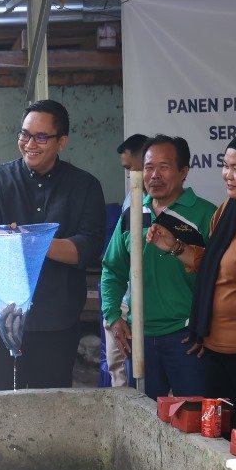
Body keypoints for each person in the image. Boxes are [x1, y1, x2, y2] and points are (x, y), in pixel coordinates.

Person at [0, 100, 106, 390]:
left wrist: (25, 240)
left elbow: (87, 247)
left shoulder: (85, 185)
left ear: (62, 142)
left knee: (51, 407)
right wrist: (48, 244)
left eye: (41, 137)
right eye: (24, 134)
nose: (30, 143)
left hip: (56, 318)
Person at [147, 131, 236, 432]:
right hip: (212, 350)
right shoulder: (227, 210)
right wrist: (175, 247)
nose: (228, 175)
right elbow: (212, 266)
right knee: (215, 437)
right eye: (225, 166)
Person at [101, 135, 217, 400]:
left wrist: (209, 329)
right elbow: (112, 269)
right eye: (149, 167)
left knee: (194, 421)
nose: (154, 175)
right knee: (141, 423)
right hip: (139, 337)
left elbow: (221, 277)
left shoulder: (206, 214)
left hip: (188, 339)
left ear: (183, 171)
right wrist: (113, 316)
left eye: (164, 167)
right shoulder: (132, 215)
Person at [103, 133, 149, 387]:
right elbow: (113, 264)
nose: (129, 174)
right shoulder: (129, 201)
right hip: (123, 301)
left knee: (143, 379)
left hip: (148, 308)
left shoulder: (158, 206)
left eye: (132, 167)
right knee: (117, 370)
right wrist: (113, 313)